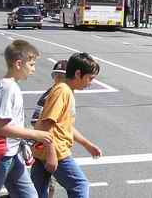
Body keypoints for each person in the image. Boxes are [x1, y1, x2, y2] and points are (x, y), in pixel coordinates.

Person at [0, 40, 52, 197]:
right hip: (2, 157)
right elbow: (0, 128)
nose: (33, 69)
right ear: (19, 64)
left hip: (12, 154)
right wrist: (36, 134)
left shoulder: (6, 85)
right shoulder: (8, 88)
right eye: (31, 64)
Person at [31, 53, 103, 198]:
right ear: (78, 74)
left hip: (43, 150)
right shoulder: (62, 91)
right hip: (56, 150)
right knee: (79, 185)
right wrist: (52, 154)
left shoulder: (65, 90)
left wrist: (87, 144)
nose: (91, 82)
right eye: (90, 78)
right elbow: (46, 123)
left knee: (38, 192)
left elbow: (64, 125)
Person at [29, 60, 68, 198]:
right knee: (47, 184)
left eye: (62, 76)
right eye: (56, 75)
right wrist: (49, 142)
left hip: (45, 146)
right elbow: (35, 121)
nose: (59, 79)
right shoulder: (51, 95)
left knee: (41, 184)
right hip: (45, 146)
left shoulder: (62, 93)